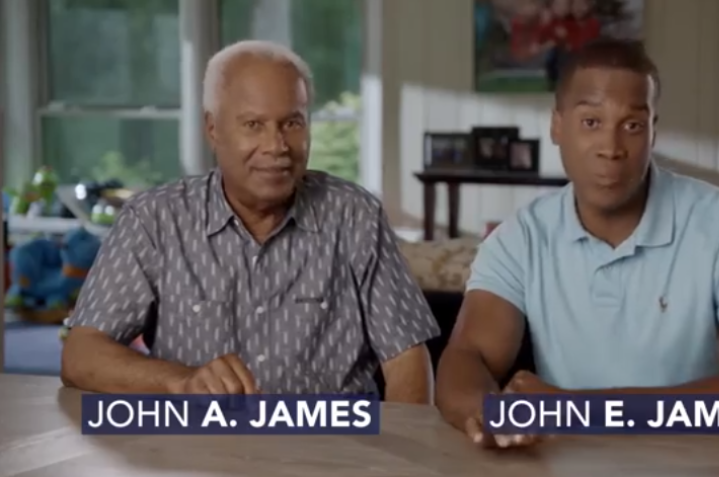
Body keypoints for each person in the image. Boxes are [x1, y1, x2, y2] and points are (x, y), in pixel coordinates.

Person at [435, 38, 719, 448]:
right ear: (557, 126)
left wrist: (582, 413)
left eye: (632, 126)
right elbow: (466, 358)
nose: (611, 149)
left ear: (653, 132)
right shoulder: (520, 238)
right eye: (591, 122)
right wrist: (487, 413)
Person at [61, 40, 440, 402]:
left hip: (334, 454)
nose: (277, 146)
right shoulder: (154, 220)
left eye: (292, 123)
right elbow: (81, 356)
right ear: (213, 129)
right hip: (199, 456)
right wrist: (182, 381)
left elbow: (407, 360)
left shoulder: (356, 216)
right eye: (254, 125)